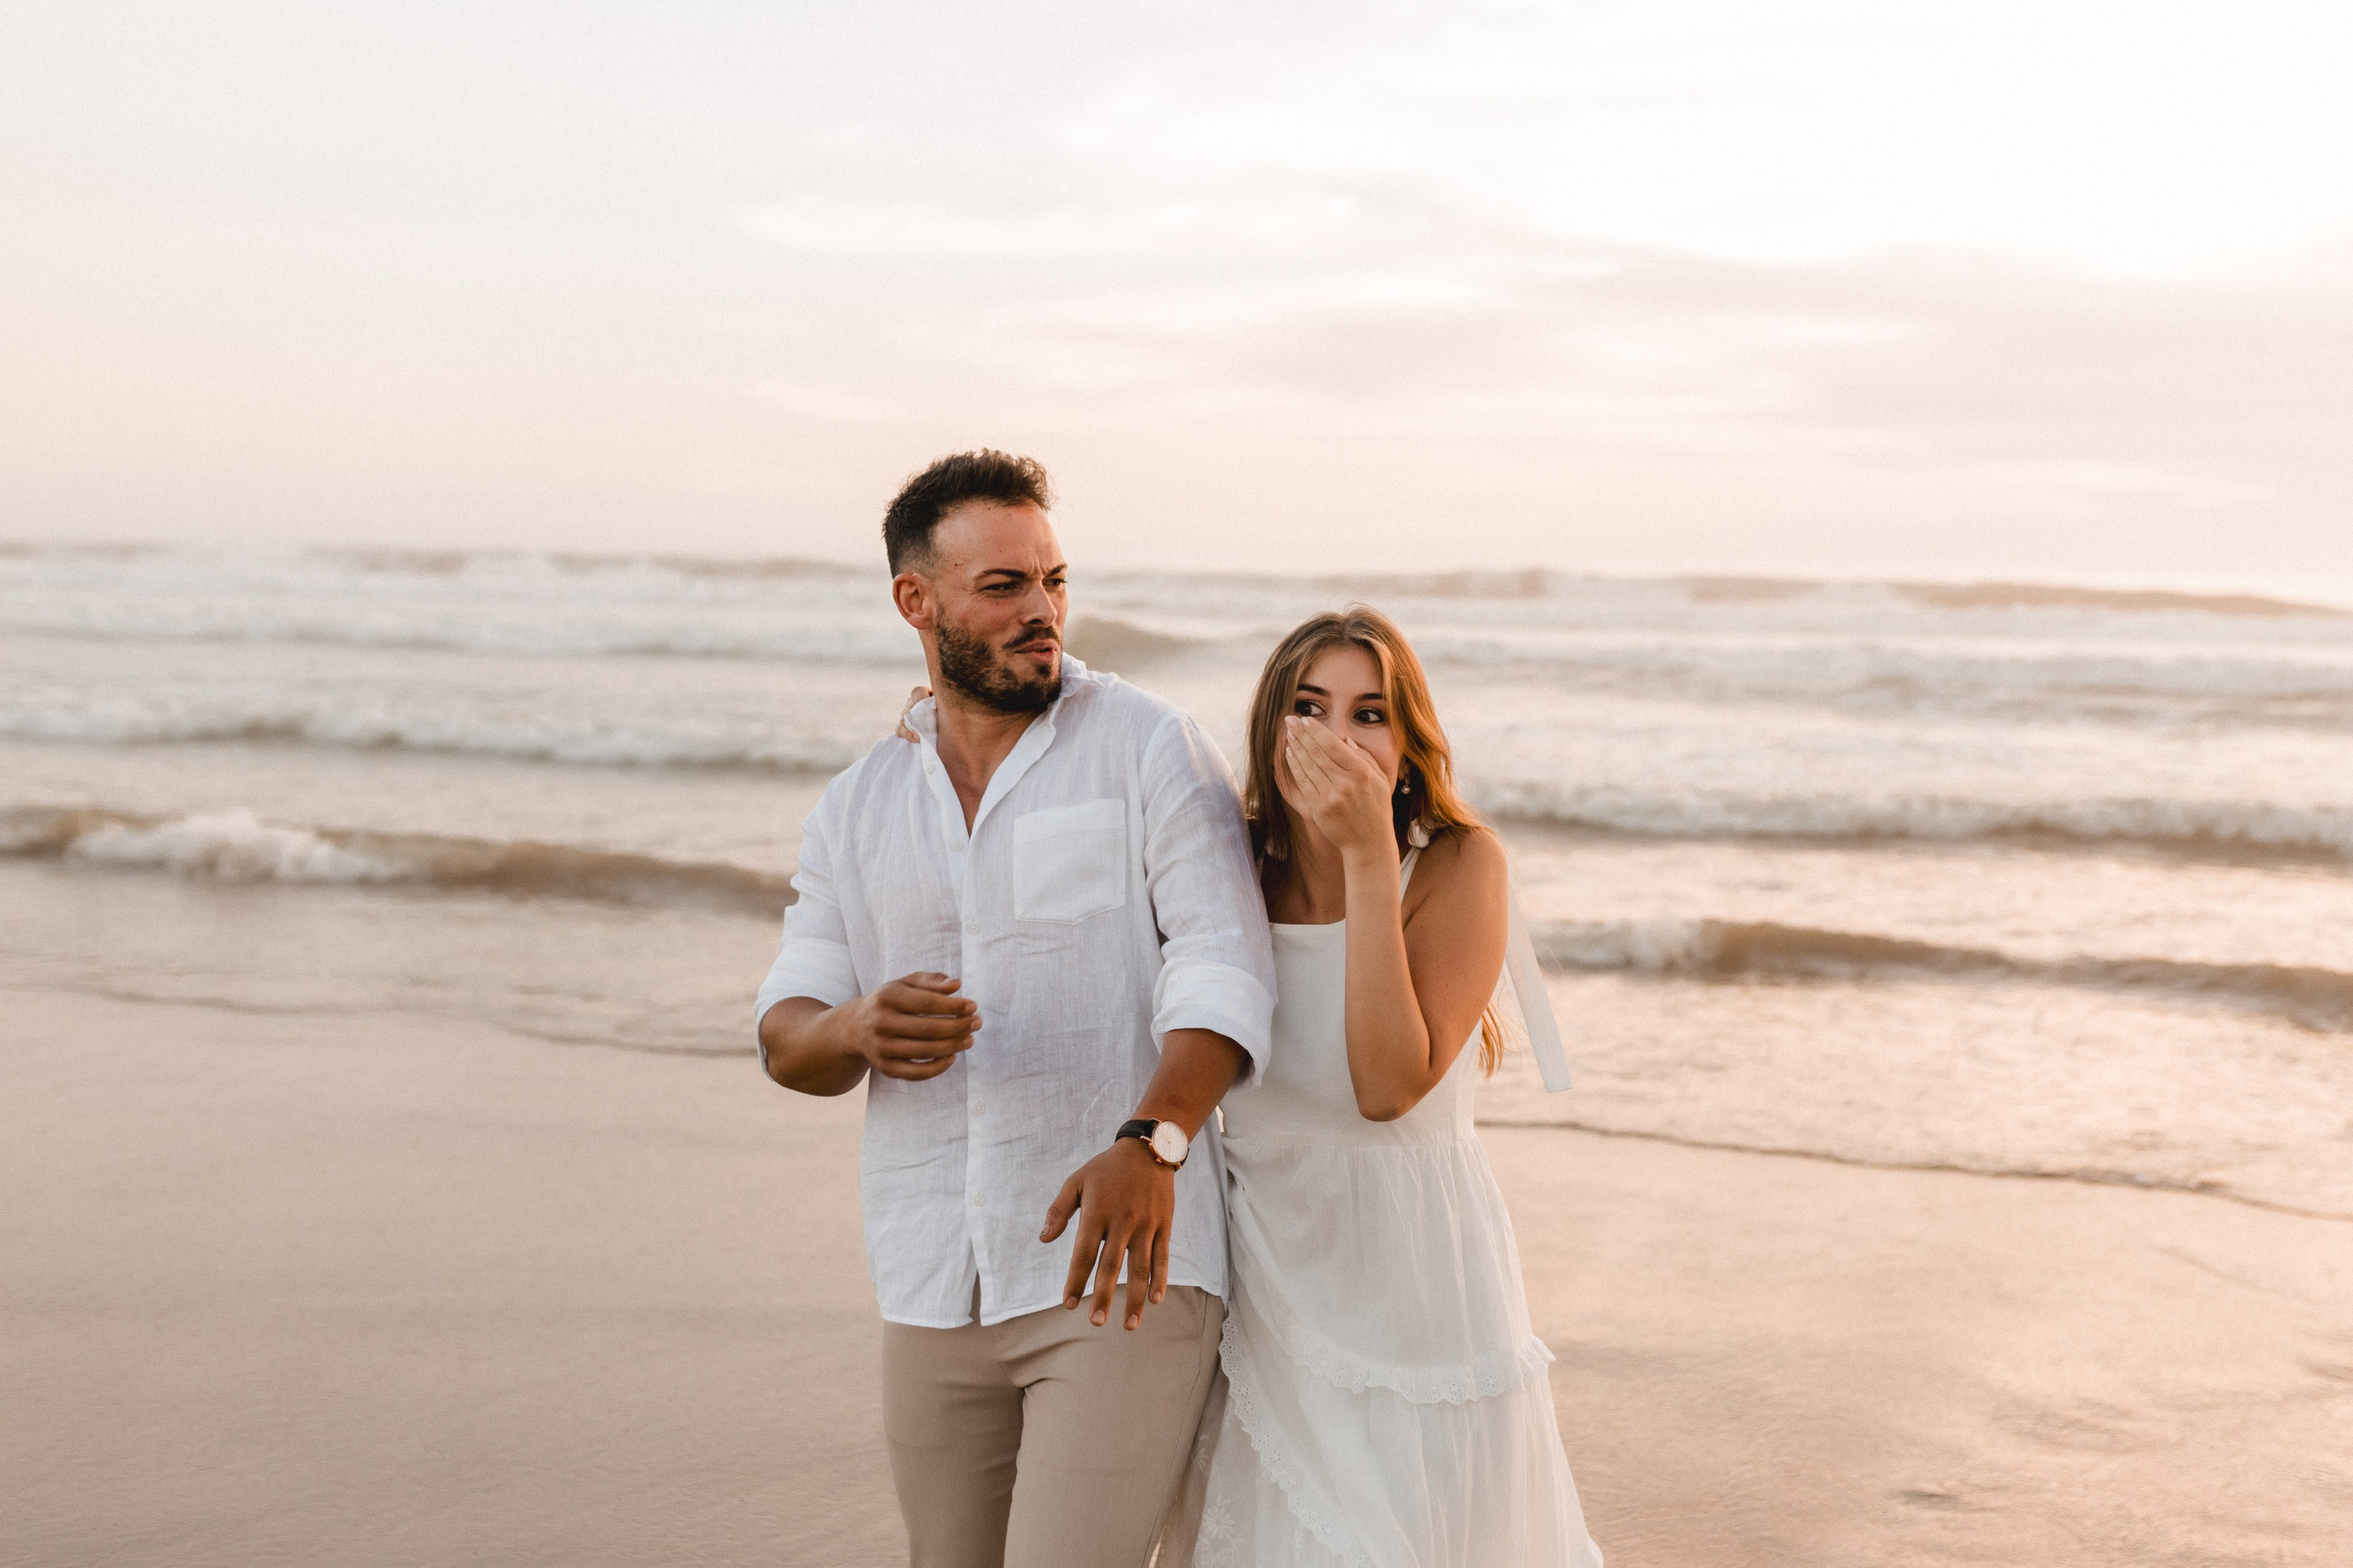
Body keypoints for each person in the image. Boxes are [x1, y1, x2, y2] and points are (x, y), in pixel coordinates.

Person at [753, 450, 1277, 1568]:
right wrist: (854, 1028)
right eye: (1003, 586)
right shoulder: (855, 808)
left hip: (1122, 1270)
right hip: (931, 1273)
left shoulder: (1146, 746)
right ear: (916, 601)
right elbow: (788, 1029)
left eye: (1053, 579)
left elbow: (1224, 969)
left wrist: (1155, 1137)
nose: (1042, 610)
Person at [1160, 606, 1604, 1568]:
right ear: (1273, 730)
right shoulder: (1229, 864)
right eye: (1309, 706)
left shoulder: (1456, 864)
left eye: (1370, 714)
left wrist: (1365, 855)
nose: (1336, 736)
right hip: (1271, 1271)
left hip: (1417, 1281)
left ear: (1406, 748)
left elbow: (1388, 1084)